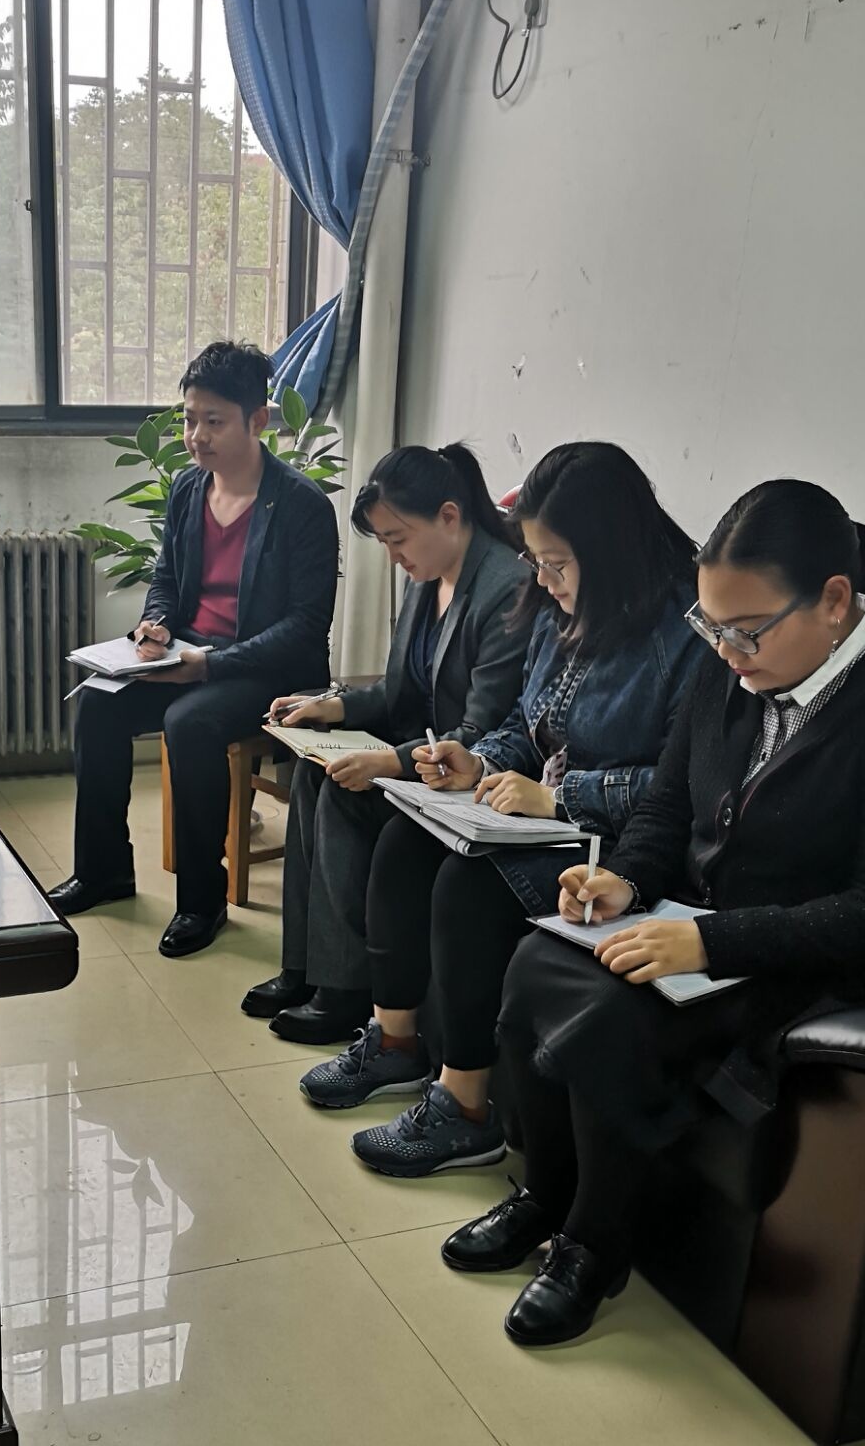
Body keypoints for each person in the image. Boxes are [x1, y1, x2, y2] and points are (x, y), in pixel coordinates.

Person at [441, 480, 865, 1347]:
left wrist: (707, 939)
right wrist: (624, 882)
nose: (727, 651)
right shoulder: (727, 663)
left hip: (811, 957)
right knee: (539, 962)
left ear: (834, 601)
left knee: (616, 1014)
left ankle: (593, 1249)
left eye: (747, 631)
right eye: (712, 627)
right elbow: (668, 806)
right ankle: (543, 1193)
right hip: (702, 923)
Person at [299, 441, 709, 1170]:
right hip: (536, 816)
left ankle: (465, 1107)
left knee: (469, 885)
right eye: (537, 562)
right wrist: (480, 760)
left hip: (615, 845)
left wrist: (556, 797)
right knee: (405, 839)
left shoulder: (685, 634)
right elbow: (528, 720)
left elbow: (680, 786)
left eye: (557, 564)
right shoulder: (560, 607)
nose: (542, 580)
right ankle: (394, 1041)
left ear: (610, 551)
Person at [49, 341, 339, 958]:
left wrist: (210, 665)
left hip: (265, 670)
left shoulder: (301, 505)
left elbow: (305, 626)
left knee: (190, 722)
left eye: (213, 421)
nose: (196, 436)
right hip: (188, 655)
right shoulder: (187, 488)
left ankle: (202, 902)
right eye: (188, 419)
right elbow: (166, 579)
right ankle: (103, 871)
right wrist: (154, 626)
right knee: (97, 703)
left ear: (257, 421)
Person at [241, 444, 531, 1044]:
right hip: (421, 752)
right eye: (385, 543)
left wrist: (387, 762)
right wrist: (335, 705)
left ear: (449, 516)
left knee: (346, 793)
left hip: (467, 772)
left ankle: (345, 988)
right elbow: (402, 693)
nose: (394, 557)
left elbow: (482, 730)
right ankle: (304, 968)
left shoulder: (505, 586)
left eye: (398, 539)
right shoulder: (429, 576)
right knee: (313, 770)